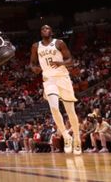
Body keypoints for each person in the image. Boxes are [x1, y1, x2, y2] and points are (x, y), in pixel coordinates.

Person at [30, 25, 82, 155]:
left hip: (62, 77)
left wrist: (61, 63)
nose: (45, 30)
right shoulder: (36, 46)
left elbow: (71, 60)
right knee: (53, 107)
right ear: (40, 33)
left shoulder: (59, 43)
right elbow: (32, 63)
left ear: (51, 31)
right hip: (49, 79)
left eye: (47, 28)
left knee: (70, 111)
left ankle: (77, 138)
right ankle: (66, 136)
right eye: (42, 29)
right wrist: (34, 68)